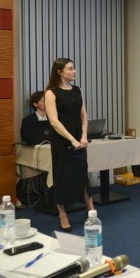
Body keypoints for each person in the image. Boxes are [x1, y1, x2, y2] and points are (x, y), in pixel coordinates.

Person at [44, 58, 95, 231]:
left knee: (82, 173)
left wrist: (83, 136)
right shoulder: (51, 93)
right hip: (61, 139)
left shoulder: (77, 90)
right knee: (62, 176)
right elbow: (54, 121)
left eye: (74, 68)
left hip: (79, 138)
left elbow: (84, 115)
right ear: (60, 72)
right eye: (70, 68)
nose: (74, 71)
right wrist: (72, 140)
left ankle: (91, 210)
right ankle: (62, 214)